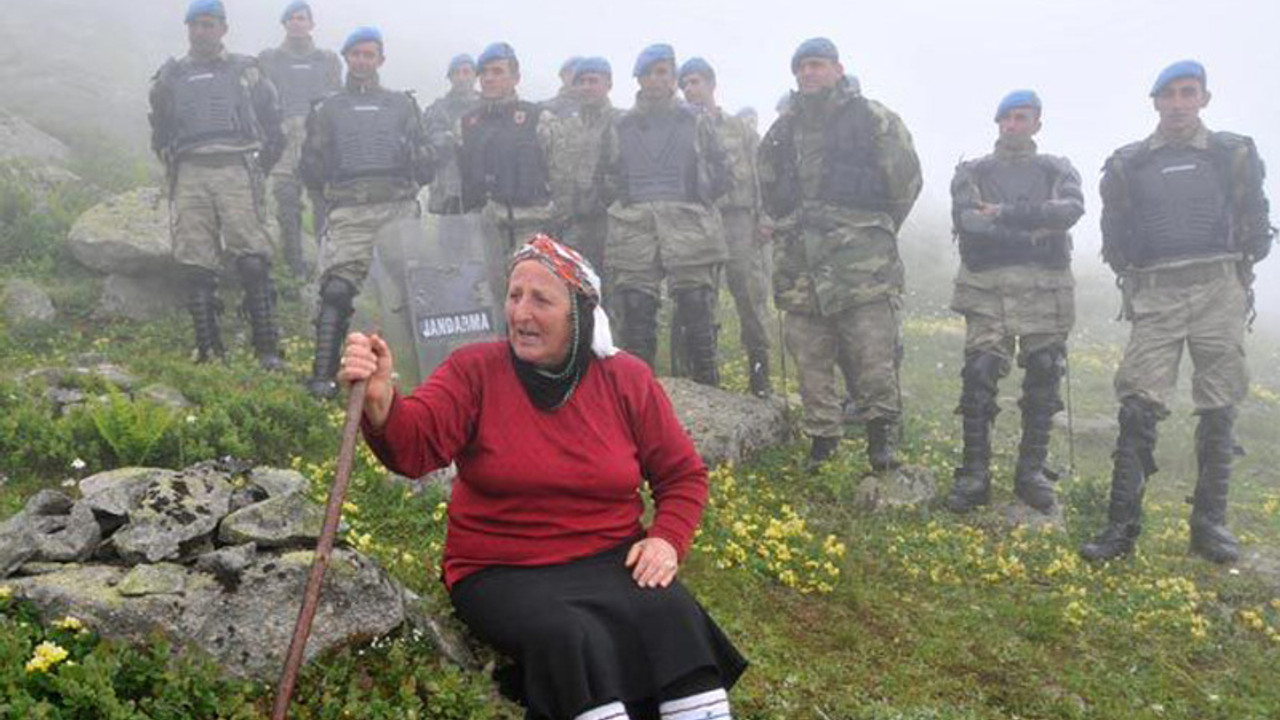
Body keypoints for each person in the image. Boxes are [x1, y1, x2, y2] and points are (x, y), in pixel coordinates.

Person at [339, 235, 747, 720]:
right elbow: (414, 447)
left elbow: (682, 476)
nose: (521, 314)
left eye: (541, 300)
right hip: (501, 569)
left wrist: (666, 540)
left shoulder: (627, 379)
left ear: (579, 314)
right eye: (514, 296)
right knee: (569, 632)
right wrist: (382, 401)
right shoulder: (475, 371)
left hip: (611, 558)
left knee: (672, 614)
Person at [1080, 60, 1273, 563]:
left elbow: (1257, 226)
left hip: (1219, 287)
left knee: (1219, 405)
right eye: (1169, 94)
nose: (1179, 103)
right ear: (1156, 102)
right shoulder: (1130, 163)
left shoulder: (1233, 154)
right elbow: (1114, 237)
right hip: (1158, 291)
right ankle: (1120, 529)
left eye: (1189, 93)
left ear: (1204, 98)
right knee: (1139, 404)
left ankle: (1209, 526)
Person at [758, 38, 921, 471]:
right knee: (810, 356)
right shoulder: (782, 129)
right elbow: (768, 188)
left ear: (837, 68)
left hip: (861, 266)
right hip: (800, 267)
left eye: (817, 65)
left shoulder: (874, 119)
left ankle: (880, 442)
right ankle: (823, 442)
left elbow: (905, 181)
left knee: (872, 356)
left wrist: (869, 232)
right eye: (801, 68)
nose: (808, 73)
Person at [943, 90, 1085, 514]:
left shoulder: (1058, 169)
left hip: (1047, 285)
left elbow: (1070, 211)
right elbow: (968, 220)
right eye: (1005, 118)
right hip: (988, 285)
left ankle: (1031, 473)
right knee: (979, 374)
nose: (1012, 125)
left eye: (1021, 118)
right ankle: (974, 473)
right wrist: (1033, 229)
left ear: (1037, 123)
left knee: (1044, 377)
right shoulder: (971, 171)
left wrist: (1002, 213)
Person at [148, 0, 286, 370]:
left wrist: (258, 168)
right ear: (187, 29)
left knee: (254, 259)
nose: (201, 31)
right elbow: (159, 130)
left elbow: (274, 125)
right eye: (195, 25)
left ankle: (268, 349)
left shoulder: (246, 71)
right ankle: (209, 351)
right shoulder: (170, 76)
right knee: (195, 262)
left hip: (237, 168)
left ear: (223, 28)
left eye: (209, 24)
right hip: (190, 170)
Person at [298, 26, 435, 399]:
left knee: (414, 289)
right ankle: (323, 378)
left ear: (380, 60)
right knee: (337, 290)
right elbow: (310, 166)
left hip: (397, 206)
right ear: (346, 58)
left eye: (369, 54)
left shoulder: (402, 105)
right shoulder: (327, 108)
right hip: (350, 209)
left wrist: (424, 156)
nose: (361, 60)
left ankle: (428, 374)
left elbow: (425, 162)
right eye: (355, 53)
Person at [598, 43, 729, 387]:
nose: (656, 80)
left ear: (673, 78)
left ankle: (707, 387)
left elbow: (721, 169)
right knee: (636, 310)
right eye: (648, 73)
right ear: (638, 79)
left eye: (663, 73)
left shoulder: (696, 119)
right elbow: (607, 176)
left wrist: (695, 198)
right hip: (634, 227)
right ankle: (640, 393)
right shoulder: (620, 126)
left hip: (689, 225)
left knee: (696, 307)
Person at [679, 57, 773, 397]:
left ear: (711, 84)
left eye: (696, 82)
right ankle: (702, 374)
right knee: (697, 298)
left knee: (748, 295)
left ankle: (760, 374)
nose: (691, 89)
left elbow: (761, 174)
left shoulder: (739, 128)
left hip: (737, 220)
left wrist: (764, 218)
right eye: (685, 84)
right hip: (696, 220)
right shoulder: (679, 127)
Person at [457, 42, 557, 312]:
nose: (489, 78)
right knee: (487, 298)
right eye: (485, 72)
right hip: (482, 227)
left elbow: (558, 172)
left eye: (498, 71)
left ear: (515, 77)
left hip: (528, 226)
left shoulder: (538, 118)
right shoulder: (467, 123)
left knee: (529, 299)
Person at [258, 0, 341, 277]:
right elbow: (259, 101)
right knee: (286, 199)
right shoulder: (269, 59)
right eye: (291, 18)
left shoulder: (327, 60)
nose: (297, 22)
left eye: (302, 18)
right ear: (284, 24)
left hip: (316, 135)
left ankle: (324, 265)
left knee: (322, 199)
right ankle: (294, 269)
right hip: (282, 134)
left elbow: (337, 99)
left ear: (311, 24)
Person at [545, 56, 621, 276]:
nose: (586, 87)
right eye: (581, 82)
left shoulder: (623, 123)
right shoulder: (566, 127)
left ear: (608, 84)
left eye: (593, 81)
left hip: (611, 228)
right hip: (571, 228)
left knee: (613, 298)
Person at [423, 54, 480, 215]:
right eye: (456, 73)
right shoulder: (437, 109)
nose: (461, 78)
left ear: (475, 75)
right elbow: (429, 142)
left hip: (484, 196)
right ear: (450, 77)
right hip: (449, 196)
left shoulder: (488, 107)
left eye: (466, 72)